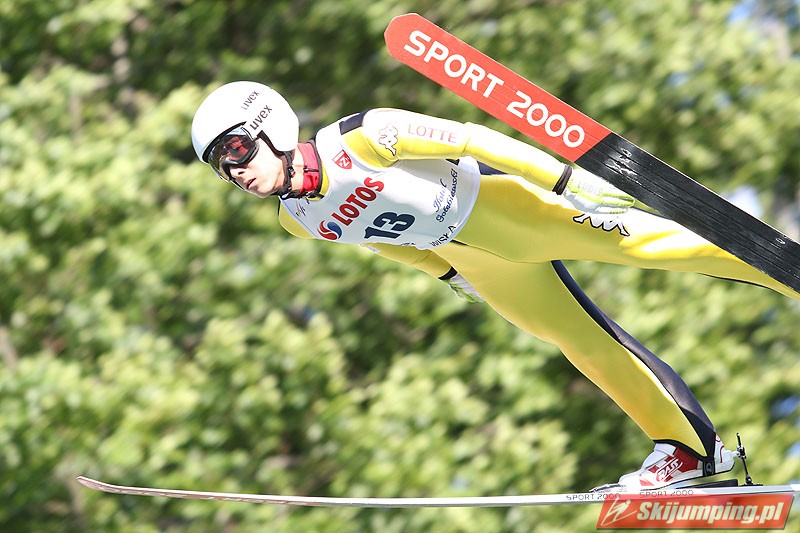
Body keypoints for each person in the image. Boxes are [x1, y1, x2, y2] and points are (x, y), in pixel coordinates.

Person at [191, 81, 800, 491]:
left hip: (508, 209)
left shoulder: (364, 135)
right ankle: (691, 450)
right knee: (581, 343)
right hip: (478, 263)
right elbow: (379, 241)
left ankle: (786, 271)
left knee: (652, 245)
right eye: (221, 166)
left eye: (237, 148)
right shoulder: (295, 220)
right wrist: (449, 275)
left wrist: (562, 180)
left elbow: (471, 139)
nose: (236, 170)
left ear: (272, 126)